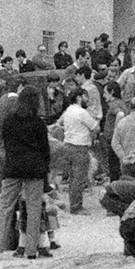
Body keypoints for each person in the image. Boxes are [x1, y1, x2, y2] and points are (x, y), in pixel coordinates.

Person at [0, 85, 51, 259]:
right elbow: (45, 149)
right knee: (34, 208)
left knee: (4, 206)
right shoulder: (38, 123)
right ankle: (31, 249)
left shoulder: (9, 121)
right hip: (34, 167)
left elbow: (5, 142)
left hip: (13, 166)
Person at [58, 87, 99, 215]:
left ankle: (73, 203)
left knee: (72, 178)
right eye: (85, 96)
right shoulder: (82, 112)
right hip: (80, 147)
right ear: (79, 97)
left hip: (67, 145)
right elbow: (95, 127)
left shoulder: (68, 110)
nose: (87, 99)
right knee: (79, 178)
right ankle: (76, 207)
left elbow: (59, 123)